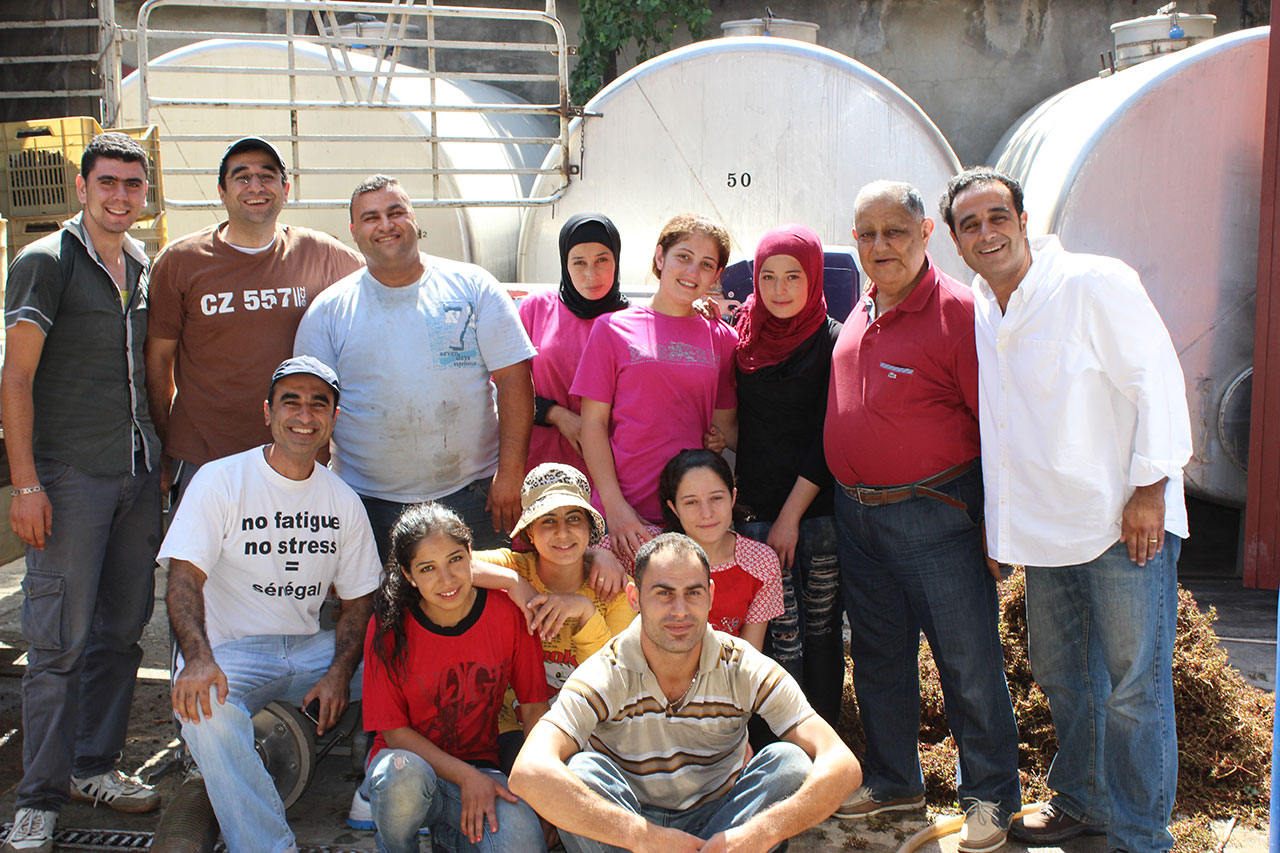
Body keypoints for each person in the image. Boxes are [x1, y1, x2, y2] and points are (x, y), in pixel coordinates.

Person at [942, 166, 1193, 853]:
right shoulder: (983, 306)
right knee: (1063, 675)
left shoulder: (1093, 282)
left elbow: (1158, 380)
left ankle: (1141, 837)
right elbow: (1003, 424)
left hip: (1121, 524)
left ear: (1025, 221)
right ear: (956, 241)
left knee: (1134, 689)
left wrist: (1150, 489)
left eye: (998, 217)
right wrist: (1001, 524)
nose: (987, 233)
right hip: (1047, 531)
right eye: (970, 224)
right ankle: (1086, 802)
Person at [826, 180, 1020, 853]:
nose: (881, 245)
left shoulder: (959, 313)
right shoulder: (863, 305)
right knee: (878, 655)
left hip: (936, 516)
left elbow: (996, 426)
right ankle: (894, 781)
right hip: (857, 518)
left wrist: (997, 526)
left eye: (896, 232)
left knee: (967, 661)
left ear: (926, 234)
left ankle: (991, 795)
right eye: (868, 234)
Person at [0, 132, 162, 853]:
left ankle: (94, 766)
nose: (120, 196)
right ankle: (37, 798)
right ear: (82, 187)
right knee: (57, 641)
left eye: (132, 184)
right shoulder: (45, 262)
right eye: (108, 183)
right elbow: (15, 378)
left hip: (136, 473)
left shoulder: (141, 264)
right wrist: (27, 482)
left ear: (144, 193)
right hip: (70, 477)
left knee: (121, 632)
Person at [508, 532, 861, 852]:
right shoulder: (606, 671)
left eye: (693, 593)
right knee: (581, 771)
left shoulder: (741, 666)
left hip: (722, 824)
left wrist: (760, 834)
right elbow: (528, 772)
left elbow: (843, 766)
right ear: (634, 597)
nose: (680, 611)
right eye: (663, 593)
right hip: (630, 826)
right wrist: (643, 837)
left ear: (711, 595)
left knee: (789, 763)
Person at [161, 356, 381, 853]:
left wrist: (339, 672)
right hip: (229, 652)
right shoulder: (220, 480)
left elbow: (358, 603)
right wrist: (197, 659)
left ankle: (389, 783)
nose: (304, 415)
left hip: (307, 649)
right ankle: (268, 846)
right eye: (291, 402)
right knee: (205, 710)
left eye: (318, 405)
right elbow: (183, 580)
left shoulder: (343, 500)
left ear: (334, 419)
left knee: (410, 660)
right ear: (267, 412)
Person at [294, 174, 536, 555]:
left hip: (475, 496)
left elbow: (514, 381)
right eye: (371, 218)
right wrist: (314, 494)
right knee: (374, 595)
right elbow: (312, 409)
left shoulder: (474, 286)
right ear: (354, 232)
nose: (385, 225)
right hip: (365, 503)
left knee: (480, 592)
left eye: (396, 212)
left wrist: (509, 475)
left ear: (414, 219)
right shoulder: (328, 311)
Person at [146, 136, 362, 502]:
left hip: (299, 460)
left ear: (285, 189)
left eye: (267, 176)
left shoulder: (322, 255)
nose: (255, 186)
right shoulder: (180, 261)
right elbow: (157, 363)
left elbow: (380, 283)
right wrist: (166, 446)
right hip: (205, 458)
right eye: (242, 177)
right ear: (222, 191)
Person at [358, 502, 550, 853]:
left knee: (523, 842)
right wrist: (465, 776)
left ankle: (450, 839)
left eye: (455, 560)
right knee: (401, 776)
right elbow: (394, 733)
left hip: (481, 768)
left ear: (471, 557)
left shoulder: (507, 613)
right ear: (409, 575)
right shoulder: (388, 626)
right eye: (427, 568)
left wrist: (541, 797)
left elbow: (535, 709)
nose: (446, 579)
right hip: (409, 765)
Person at [571, 213, 738, 560]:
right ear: (660, 257)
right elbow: (593, 426)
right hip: (622, 516)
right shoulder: (611, 329)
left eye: (706, 264)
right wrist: (615, 508)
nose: (692, 271)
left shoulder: (722, 338)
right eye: (683, 257)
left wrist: (719, 440)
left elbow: (725, 427)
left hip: (691, 519)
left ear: (717, 275)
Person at [731, 223, 845, 723]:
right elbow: (749, 424)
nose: (779, 289)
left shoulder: (833, 340)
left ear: (814, 277)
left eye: (793, 276)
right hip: (756, 511)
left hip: (814, 517)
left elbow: (826, 437)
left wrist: (791, 518)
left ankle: (823, 739)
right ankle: (775, 746)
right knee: (776, 634)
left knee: (819, 630)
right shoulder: (745, 336)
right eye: (768, 276)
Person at [467, 463, 635, 772]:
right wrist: (512, 582)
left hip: (590, 729)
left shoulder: (613, 589)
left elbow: (613, 683)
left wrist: (585, 611)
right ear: (529, 532)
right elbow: (449, 564)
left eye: (574, 518)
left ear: (589, 527)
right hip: (513, 726)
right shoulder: (515, 568)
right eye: (548, 520)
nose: (562, 532)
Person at [521, 213, 629, 473]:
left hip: (614, 472)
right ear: (564, 264)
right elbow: (504, 390)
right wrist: (556, 415)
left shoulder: (633, 321)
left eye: (602, 260)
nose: (591, 274)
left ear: (616, 260)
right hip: (543, 470)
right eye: (579, 262)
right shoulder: (536, 309)